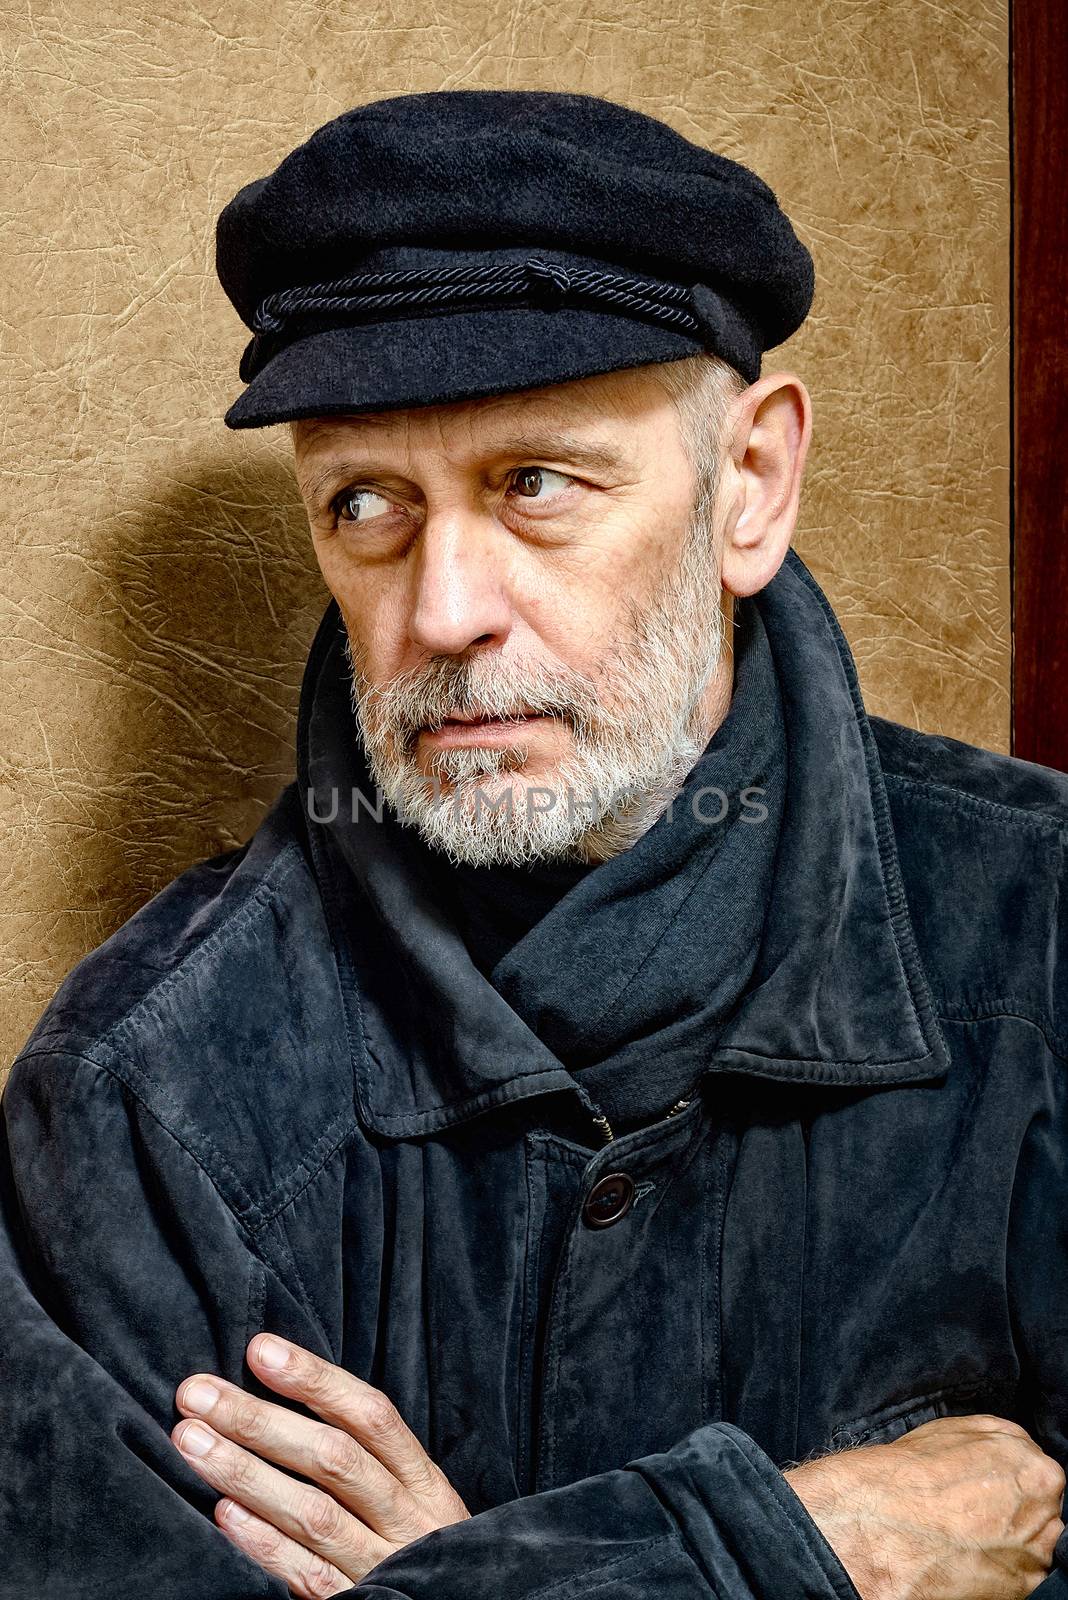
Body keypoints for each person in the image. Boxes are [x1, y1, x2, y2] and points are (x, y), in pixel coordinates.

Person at [2, 87, 1067, 1600]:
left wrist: (450, 1580)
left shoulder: (1041, 938)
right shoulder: (143, 1096)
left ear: (748, 485)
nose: (441, 613)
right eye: (364, 501)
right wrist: (767, 1558)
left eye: (536, 485)